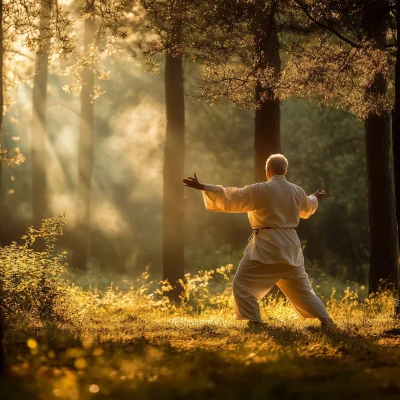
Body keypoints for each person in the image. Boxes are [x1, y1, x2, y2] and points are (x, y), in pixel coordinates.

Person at [183, 154, 336, 330]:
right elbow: (308, 206)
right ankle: (327, 321)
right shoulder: (297, 190)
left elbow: (233, 197)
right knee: (303, 290)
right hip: (291, 247)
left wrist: (203, 187)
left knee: (241, 283)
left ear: (267, 171)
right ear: (285, 170)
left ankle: (255, 321)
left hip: (268, 247)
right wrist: (316, 197)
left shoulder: (260, 189)